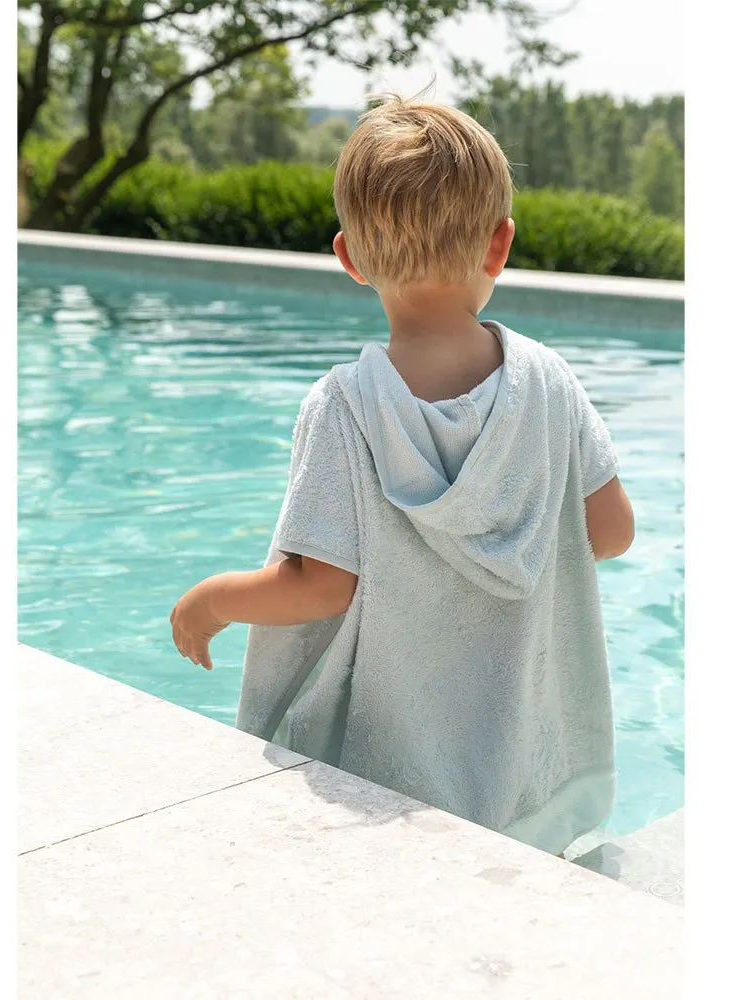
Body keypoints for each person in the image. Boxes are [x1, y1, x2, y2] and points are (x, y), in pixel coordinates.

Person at [170, 95, 634, 856]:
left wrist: (214, 599)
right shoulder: (551, 386)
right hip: (522, 775)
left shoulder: (345, 408)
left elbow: (320, 588)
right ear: (500, 244)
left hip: (390, 790)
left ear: (349, 257)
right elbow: (611, 534)